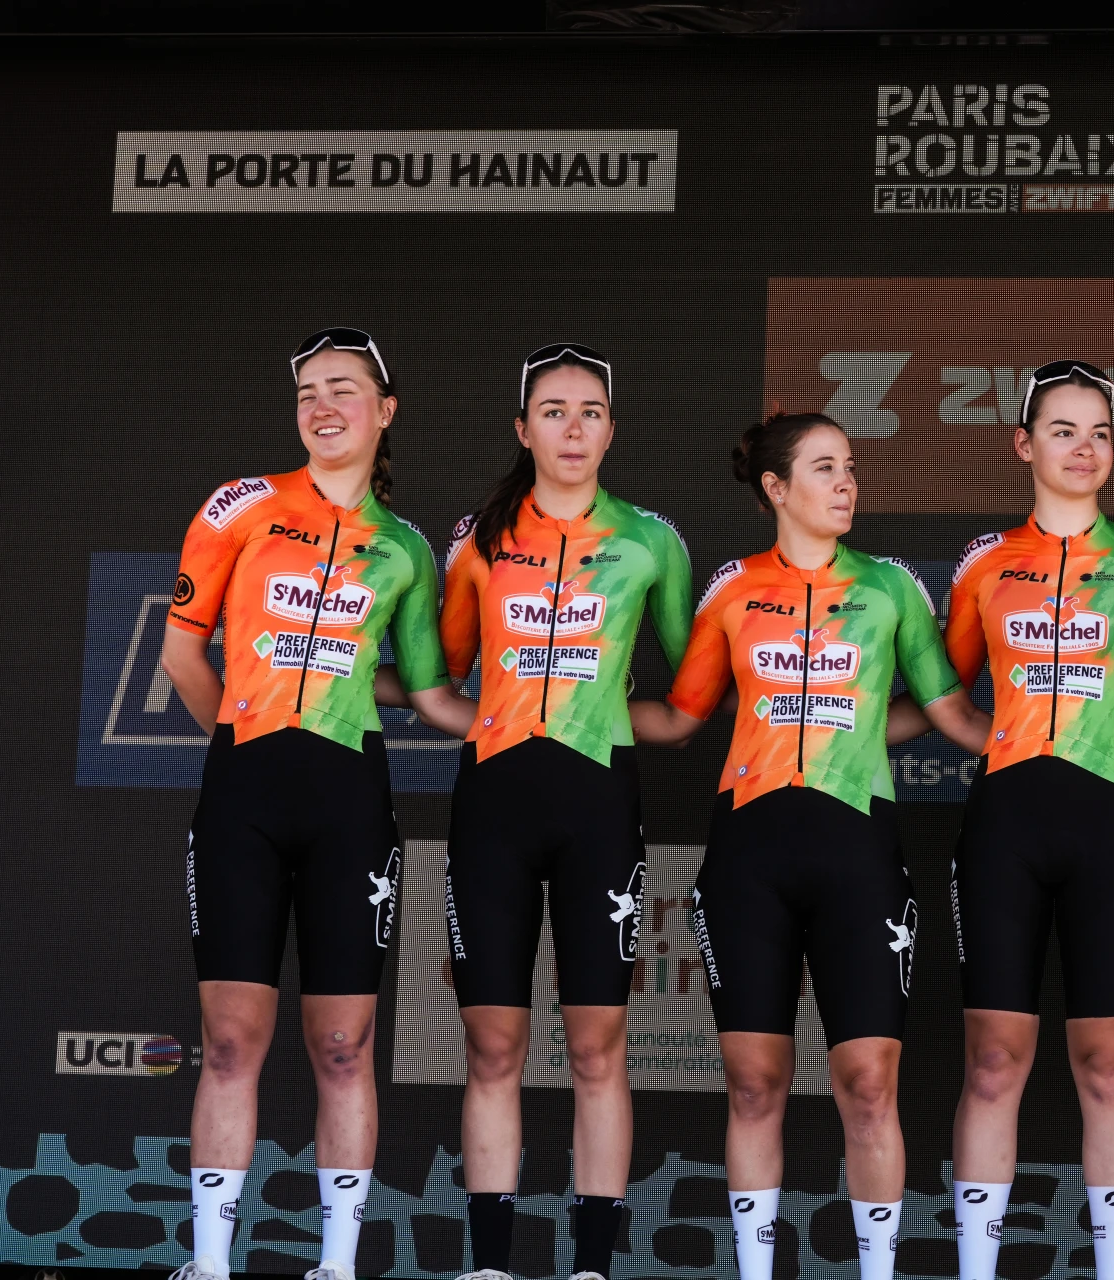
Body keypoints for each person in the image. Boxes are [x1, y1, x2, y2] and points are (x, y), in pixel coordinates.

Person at [631, 410, 989, 1280]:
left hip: (858, 852)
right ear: (776, 487)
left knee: (869, 1082)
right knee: (755, 1084)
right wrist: (561, 705)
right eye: (826, 468)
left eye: (851, 467)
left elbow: (949, 712)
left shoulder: (891, 587)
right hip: (749, 854)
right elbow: (682, 716)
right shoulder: (731, 589)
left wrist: (1061, 726)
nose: (846, 483)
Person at [160, 328, 477, 1280]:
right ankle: (210, 1263)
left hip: (349, 801)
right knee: (229, 1041)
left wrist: (537, 710)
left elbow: (428, 693)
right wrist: (242, 745)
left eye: (343, 388)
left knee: (343, 1045)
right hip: (244, 794)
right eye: (307, 392)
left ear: (386, 411)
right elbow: (182, 653)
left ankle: (336, 1265)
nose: (321, 406)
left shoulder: (407, 548)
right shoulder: (241, 505)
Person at [925, 361, 1114, 1280]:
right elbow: (943, 693)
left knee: (1109, 1063)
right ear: (1024, 443)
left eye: (1099, 433)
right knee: (992, 1061)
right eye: (1062, 430)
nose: (1084, 449)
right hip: (1005, 821)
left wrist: (1108, 730)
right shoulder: (985, 562)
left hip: (1107, 819)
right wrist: (1006, 740)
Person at [435, 345, 692, 1280]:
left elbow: (693, 697)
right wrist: (505, 722)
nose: (573, 428)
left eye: (590, 412)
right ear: (523, 428)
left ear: (612, 430)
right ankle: (491, 1265)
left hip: (598, 804)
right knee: (492, 1045)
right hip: (494, 802)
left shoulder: (652, 540)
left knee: (597, 1047)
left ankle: (590, 1267)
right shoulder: (478, 538)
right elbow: (440, 678)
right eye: (553, 411)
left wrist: (601, 719)